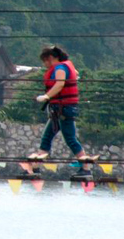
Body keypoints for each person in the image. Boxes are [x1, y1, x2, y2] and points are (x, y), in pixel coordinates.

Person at [32, 45, 92, 180]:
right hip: (59, 109)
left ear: (52, 58)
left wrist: (47, 96)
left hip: (64, 109)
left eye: (46, 61)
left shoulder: (59, 68)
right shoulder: (65, 66)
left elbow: (60, 84)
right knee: (46, 138)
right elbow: (75, 73)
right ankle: (34, 168)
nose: (45, 64)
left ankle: (86, 168)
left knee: (70, 138)